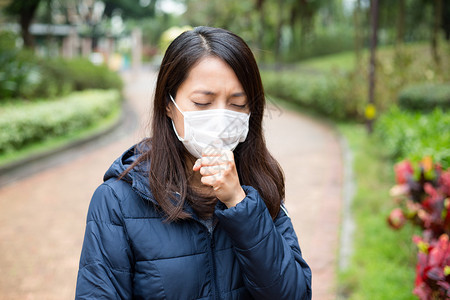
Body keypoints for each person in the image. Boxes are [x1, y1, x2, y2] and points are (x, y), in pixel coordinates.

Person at [75, 26, 312, 300]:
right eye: (203, 102)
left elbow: (294, 295)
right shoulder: (116, 202)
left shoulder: (260, 186)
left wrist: (240, 203)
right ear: (168, 103)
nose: (221, 118)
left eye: (237, 104)